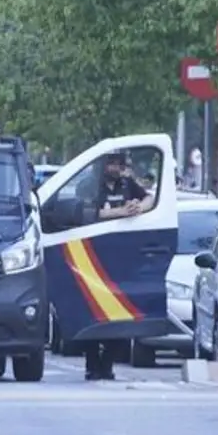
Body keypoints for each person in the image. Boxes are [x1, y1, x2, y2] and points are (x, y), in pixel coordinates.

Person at [80, 151, 153, 381]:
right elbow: (86, 213)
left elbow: (149, 197)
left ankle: (108, 364)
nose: (114, 167)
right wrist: (118, 212)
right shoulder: (89, 186)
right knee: (92, 312)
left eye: (117, 164)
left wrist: (139, 206)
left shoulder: (127, 183)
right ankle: (92, 366)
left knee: (119, 313)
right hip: (93, 256)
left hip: (121, 257)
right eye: (110, 163)